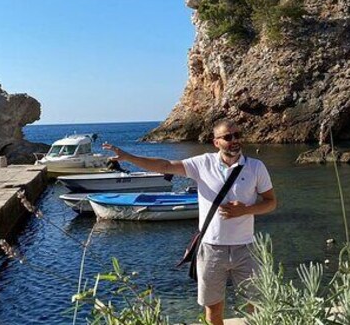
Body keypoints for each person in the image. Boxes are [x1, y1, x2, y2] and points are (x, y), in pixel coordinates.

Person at [102, 120, 277, 325]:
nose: (235, 140)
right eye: (228, 137)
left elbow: (271, 202)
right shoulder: (203, 164)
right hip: (211, 248)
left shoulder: (256, 167)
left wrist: (246, 210)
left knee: (255, 305)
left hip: (246, 248)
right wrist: (129, 157)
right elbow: (165, 166)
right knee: (213, 308)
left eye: (238, 135)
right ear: (216, 142)